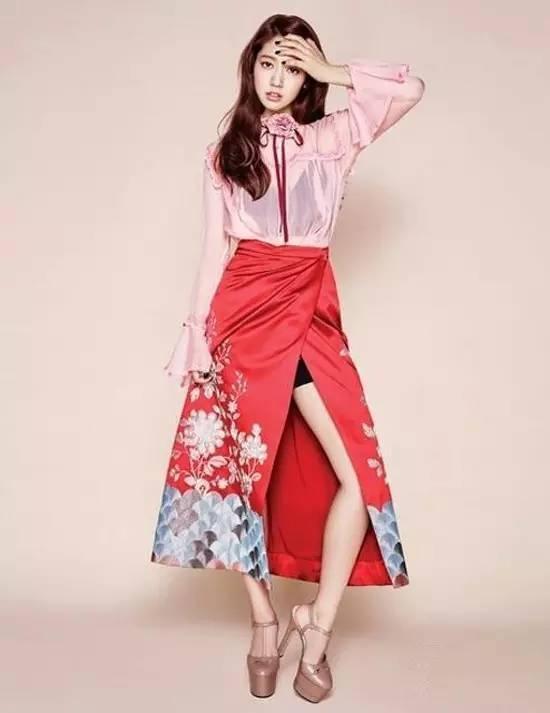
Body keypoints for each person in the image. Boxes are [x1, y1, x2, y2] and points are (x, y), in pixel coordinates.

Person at [150, 14, 425, 704]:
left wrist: (334, 71)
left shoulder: (335, 136)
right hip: (242, 317)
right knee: (244, 474)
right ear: (250, 68)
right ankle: (265, 622)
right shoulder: (225, 152)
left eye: (293, 66)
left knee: (358, 476)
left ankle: (317, 625)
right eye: (268, 62)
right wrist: (194, 331)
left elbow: (411, 89)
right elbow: (213, 250)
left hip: (311, 310)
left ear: (308, 78)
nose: (277, 78)